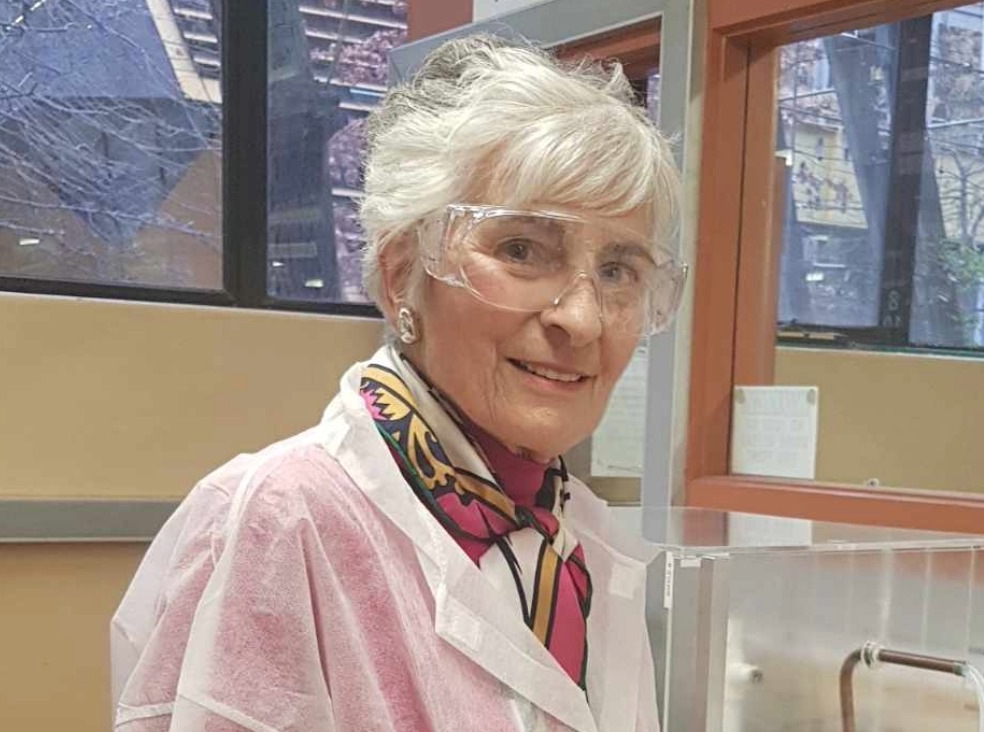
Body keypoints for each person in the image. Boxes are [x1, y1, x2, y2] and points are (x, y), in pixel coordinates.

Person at [110, 34, 686, 732]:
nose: (583, 318)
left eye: (619, 271)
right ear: (399, 273)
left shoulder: (576, 538)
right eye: (522, 250)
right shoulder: (282, 520)